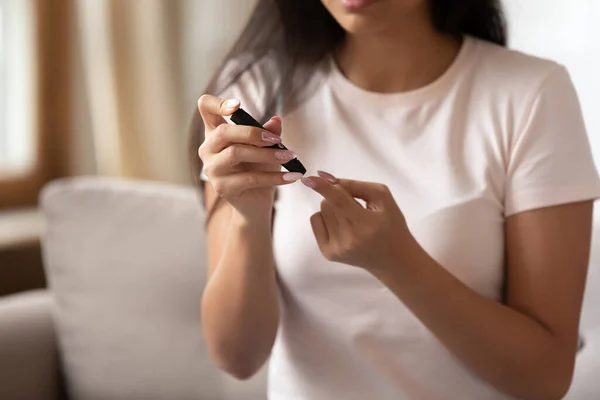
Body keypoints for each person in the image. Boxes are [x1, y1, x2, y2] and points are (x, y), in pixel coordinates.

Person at [189, 0, 600, 399]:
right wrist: (249, 217)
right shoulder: (256, 91)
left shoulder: (530, 95)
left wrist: (398, 262)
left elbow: (545, 378)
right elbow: (236, 358)